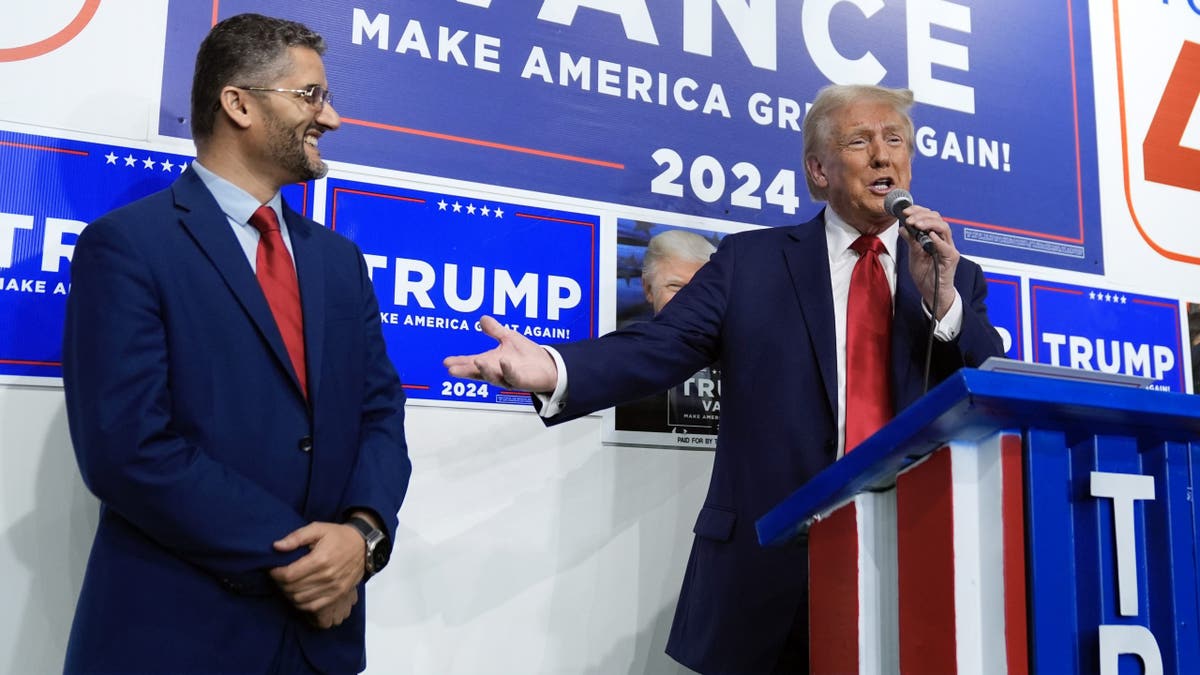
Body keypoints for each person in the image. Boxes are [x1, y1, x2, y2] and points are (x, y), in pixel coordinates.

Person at [445, 83, 1004, 673]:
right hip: (767, 574)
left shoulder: (952, 274)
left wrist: (942, 301)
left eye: (895, 140)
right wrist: (555, 367)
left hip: (907, 567)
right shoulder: (752, 263)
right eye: (860, 142)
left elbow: (992, 388)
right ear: (818, 170)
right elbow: (662, 345)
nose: (883, 156)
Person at [61, 14, 411, 674]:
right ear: (239, 103)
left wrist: (362, 535)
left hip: (318, 643)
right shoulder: (129, 246)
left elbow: (379, 414)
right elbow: (126, 448)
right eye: (311, 95)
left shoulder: (339, 262)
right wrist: (308, 558)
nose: (331, 117)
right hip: (176, 638)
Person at [616, 229, 720, 435]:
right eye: (675, 287)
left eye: (702, 290)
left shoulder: (744, 360)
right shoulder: (622, 363)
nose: (690, 301)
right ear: (648, 288)